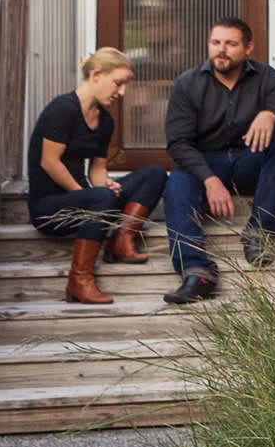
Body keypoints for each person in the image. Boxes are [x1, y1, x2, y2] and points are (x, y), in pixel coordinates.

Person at [160, 15, 275, 306]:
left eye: (230, 44)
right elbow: (179, 143)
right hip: (207, 165)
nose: (221, 50)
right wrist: (210, 180)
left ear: (248, 48)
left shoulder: (268, 78)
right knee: (177, 180)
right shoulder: (187, 84)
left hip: (250, 162)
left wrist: (270, 115)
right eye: (216, 42)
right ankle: (197, 271)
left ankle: (260, 233)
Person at [27, 48, 171, 306]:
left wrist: (104, 184)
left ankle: (121, 240)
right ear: (96, 75)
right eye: (118, 83)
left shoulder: (105, 120)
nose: (122, 92)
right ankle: (79, 280)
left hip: (86, 200)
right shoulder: (62, 109)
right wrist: (88, 194)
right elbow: (49, 163)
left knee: (155, 173)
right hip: (49, 208)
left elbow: (97, 168)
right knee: (100, 197)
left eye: (125, 85)